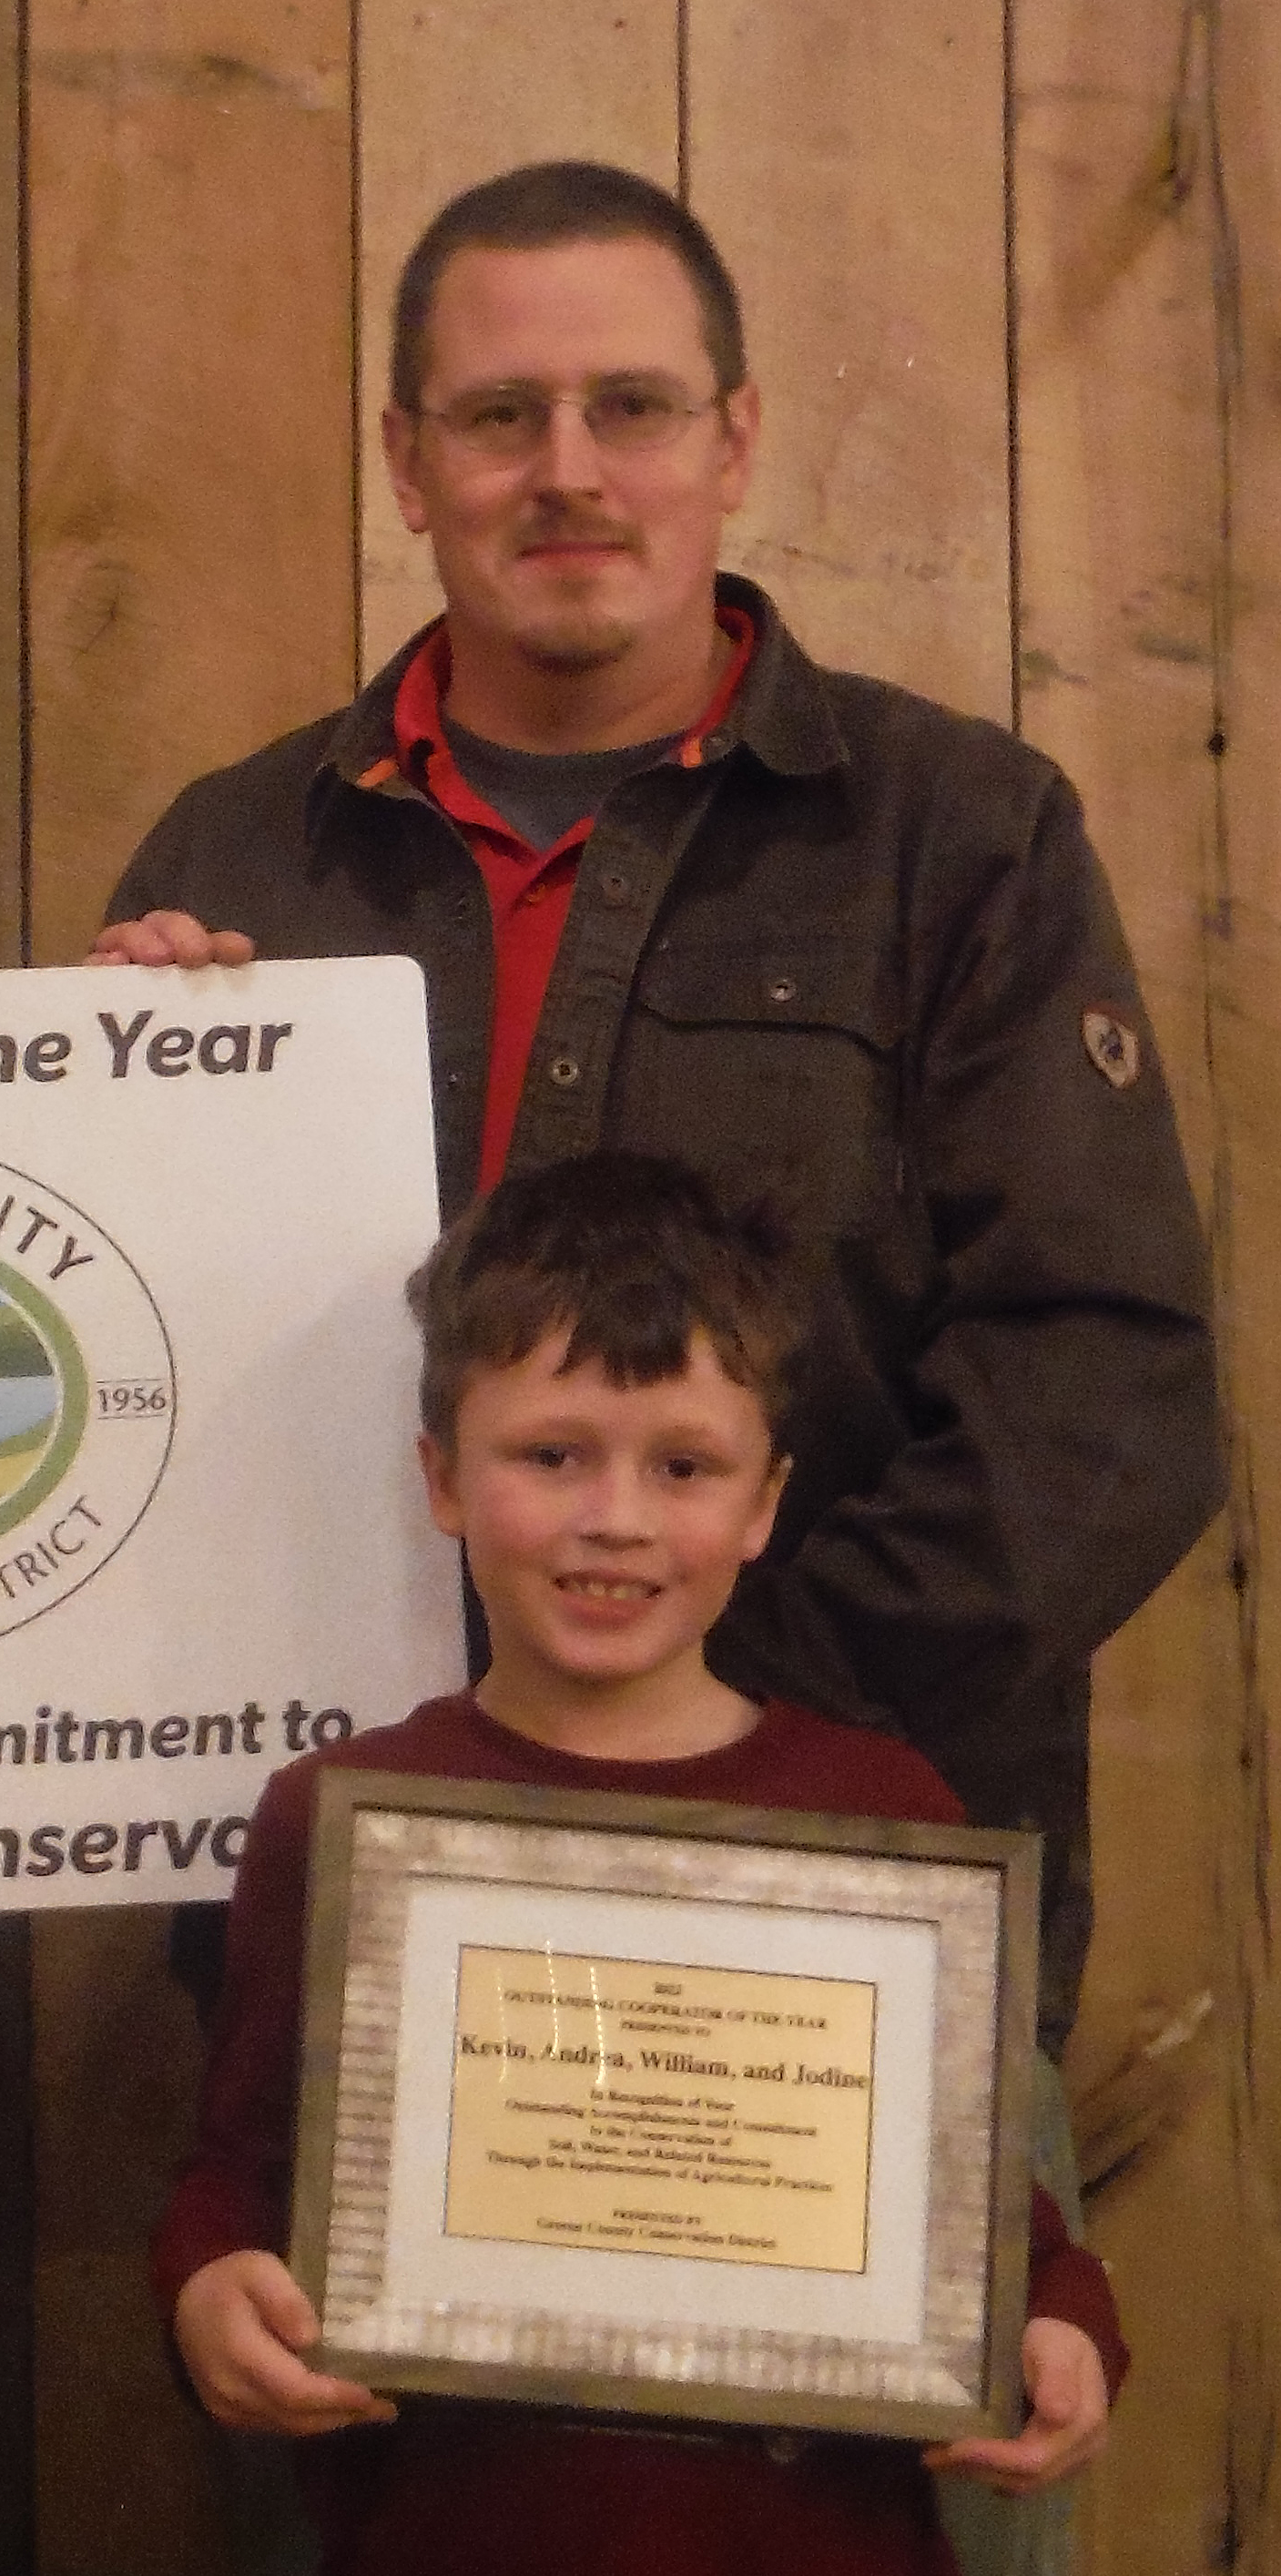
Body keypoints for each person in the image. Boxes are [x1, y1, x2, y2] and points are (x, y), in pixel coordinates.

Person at [95, 162, 1214, 2238]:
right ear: (402, 462)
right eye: (495, 415)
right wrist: (79, 1122)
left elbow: (1103, 1400)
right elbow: (126, 1409)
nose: (564, 471)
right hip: (355, 1940)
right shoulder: (236, 854)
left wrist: (699, 1715)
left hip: (846, 1928)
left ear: (730, 439)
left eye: (627, 407)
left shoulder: (952, 837)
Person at [157, 1150, 1123, 2576]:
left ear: (763, 1503)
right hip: (455, 2533)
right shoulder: (342, 1811)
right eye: (552, 1455)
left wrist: (1065, 2328)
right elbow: (240, 2172)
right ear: (441, 1478)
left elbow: (1001, 2233)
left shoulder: (882, 1812)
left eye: (683, 1465)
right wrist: (204, 2296)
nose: (615, 1517)